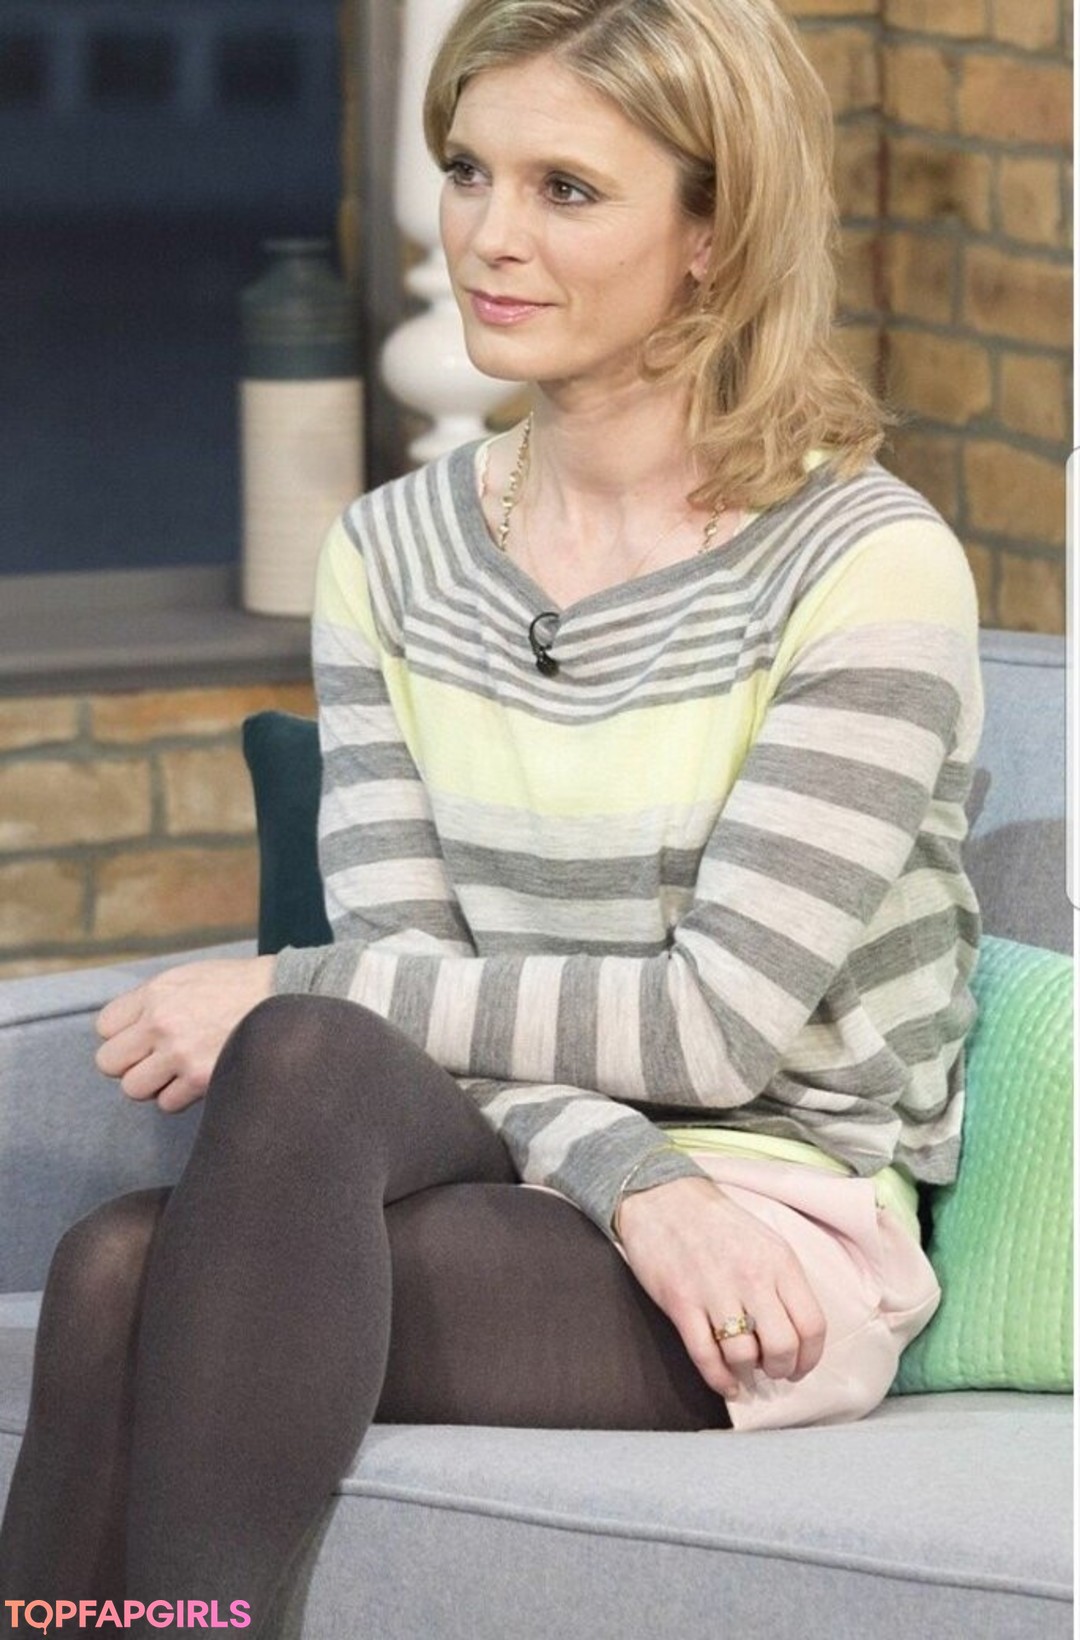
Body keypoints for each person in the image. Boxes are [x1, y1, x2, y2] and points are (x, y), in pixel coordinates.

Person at [0, 0, 982, 1632]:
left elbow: (716, 1032)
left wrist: (301, 981)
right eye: (468, 171)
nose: (487, 236)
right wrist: (627, 1175)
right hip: (544, 1164)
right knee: (274, 1091)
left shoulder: (866, 566)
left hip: (771, 1218)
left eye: (565, 189)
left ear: (713, 231)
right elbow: (406, 986)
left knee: (144, 1245)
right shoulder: (391, 555)